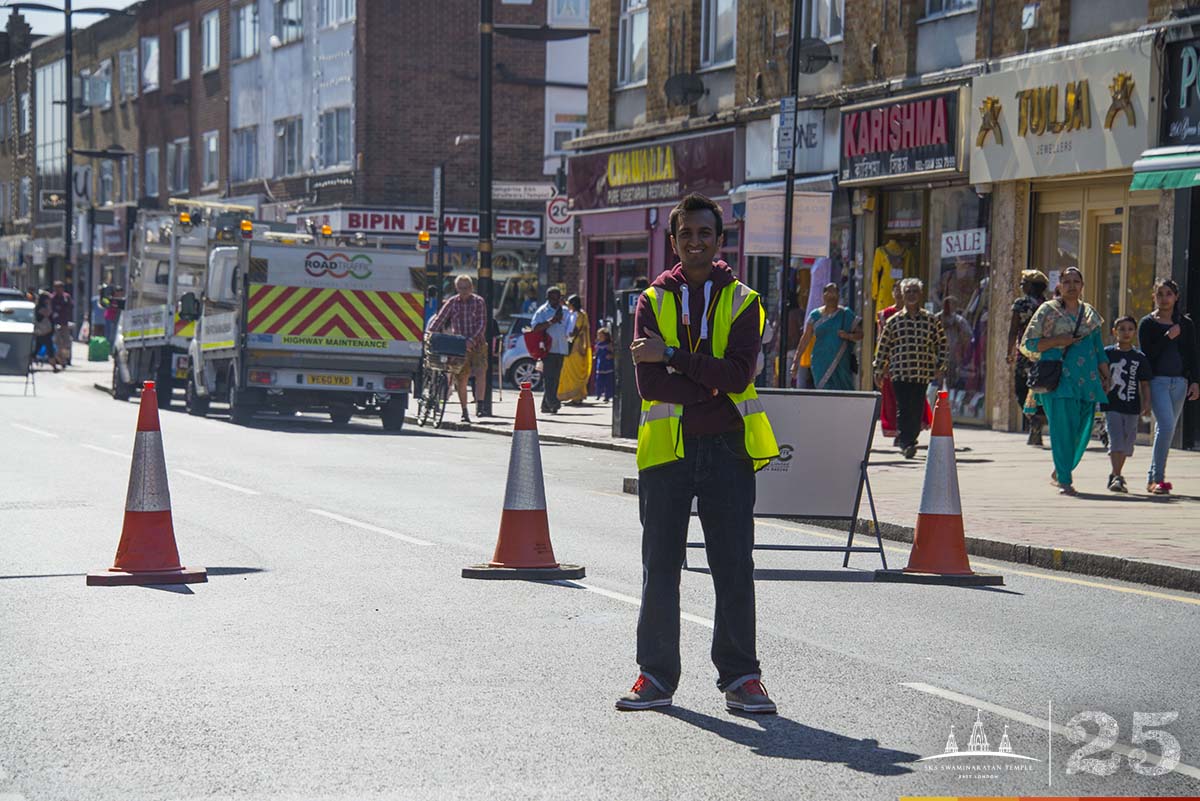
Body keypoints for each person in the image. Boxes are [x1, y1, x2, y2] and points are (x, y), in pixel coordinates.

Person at [619, 193, 780, 715]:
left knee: (734, 565)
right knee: (659, 566)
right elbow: (649, 386)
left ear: (719, 239)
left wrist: (671, 357)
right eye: (686, 234)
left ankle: (741, 677)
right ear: (674, 241)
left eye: (704, 233)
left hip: (729, 449)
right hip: (668, 451)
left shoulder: (744, 301)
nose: (695, 242)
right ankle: (655, 676)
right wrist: (707, 384)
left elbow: (738, 376)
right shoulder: (651, 300)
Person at [1020, 267, 1112, 496]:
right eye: (1067, 281)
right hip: (1058, 380)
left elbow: (1098, 349)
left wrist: (1106, 374)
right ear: (1059, 285)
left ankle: (1061, 469)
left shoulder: (1090, 314)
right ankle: (1065, 479)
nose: (1072, 285)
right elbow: (1028, 344)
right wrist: (1056, 341)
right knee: (1062, 430)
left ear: (1082, 286)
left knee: (1081, 430)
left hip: (1087, 381)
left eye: (1076, 281)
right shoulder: (1047, 311)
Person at [1137, 278, 1200, 495]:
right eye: (1160, 294)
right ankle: (1158, 479)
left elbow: (1192, 355)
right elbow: (1147, 355)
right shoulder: (1147, 323)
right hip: (1157, 381)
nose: (1164, 299)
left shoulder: (1186, 324)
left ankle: (1151, 477)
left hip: (1180, 383)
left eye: (1168, 294)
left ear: (1176, 297)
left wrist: (1194, 382)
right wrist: (1167, 337)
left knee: (1166, 429)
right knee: (1165, 426)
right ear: (1154, 297)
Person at [873, 278, 947, 460]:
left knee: (917, 406)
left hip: (922, 372)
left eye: (915, 291)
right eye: (908, 292)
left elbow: (942, 344)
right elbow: (883, 346)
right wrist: (878, 369)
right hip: (900, 372)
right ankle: (906, 442)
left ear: (920, 294)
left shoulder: (931, 320)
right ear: (903, 296)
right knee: (904, 406)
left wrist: (941, 365)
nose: (912, 295)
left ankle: (911, 438)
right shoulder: (893, 321)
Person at [427, 274, 488, 423]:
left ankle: (480, 405)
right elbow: (439, 320)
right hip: (459, 344)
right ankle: (464, 411)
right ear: (456, 288)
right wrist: (429, 334)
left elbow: (482, 324)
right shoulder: (452, 302)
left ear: (471, 287)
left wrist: (472, 340)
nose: (464, 291)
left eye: (466, 287)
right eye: (461, 288)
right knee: (462, 378)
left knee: (481, 371)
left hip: (477, 343)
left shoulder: (479, 302)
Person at [1102, 316, 1152, 493]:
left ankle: (1116, 474)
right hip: (1112, 404)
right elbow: (1099, 373)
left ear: (1135, 332)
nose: (1126, 332)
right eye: (1121, 329)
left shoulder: (1139, 357)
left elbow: (1145, 383)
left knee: (1127, 442)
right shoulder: (1107, 353)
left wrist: (1147, 402)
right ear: (1114, 332)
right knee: (1116, 439)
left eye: (1130, 329)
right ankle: (1117, 476)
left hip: (1132, 406)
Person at [792, 282, 861, 391]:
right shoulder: (815, 315)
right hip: (820, 362)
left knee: (843, 394)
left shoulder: (846, 314)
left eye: (834, 294)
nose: (832, 297)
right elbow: (805, 338)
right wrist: (796, 362)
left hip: (841, 363)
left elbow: (860, 335)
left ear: (839, 296)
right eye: (829, 294)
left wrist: (848, 336)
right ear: (823, 296)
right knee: (824, 392)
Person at [1007, 270, 1050, 446]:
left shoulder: (1022, 305)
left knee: (1021, 389)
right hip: (1043, 355)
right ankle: (1036, 421)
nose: (1021, 286)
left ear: (1032, 285)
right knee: (1038, 390)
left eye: (1024, 282)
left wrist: (1009, 351)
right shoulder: (1049, 305)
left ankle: (1034, 421)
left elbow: (1013, 330)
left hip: (1027, 355)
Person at [530, 287, 570, 414]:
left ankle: (545, 406)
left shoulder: (565, 311)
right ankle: (553, 402)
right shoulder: (543, 311)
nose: (555, 300)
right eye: (552, 297)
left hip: (561, 348)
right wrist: (551, 321)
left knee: (556, 378)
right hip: (548, 349)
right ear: (547, 298)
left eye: (557, 297)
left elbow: (569, 328)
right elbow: (535, 328)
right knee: (548, 378)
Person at [557, 295, 592, 405]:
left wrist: (566, 337)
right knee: (568, 370)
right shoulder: (572, 314)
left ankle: (577, 397)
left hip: (576, 346)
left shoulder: (580, 315)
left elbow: (575, 330)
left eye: (569, 303)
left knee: (575, 371)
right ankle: (574, 395)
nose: (568, 305)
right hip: (570, 344)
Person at [50, 280, 73, 369]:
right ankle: (59, 359)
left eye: (59, 288)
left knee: (66, 343)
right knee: (57, 342)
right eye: (56, 288)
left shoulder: (66, 297)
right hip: (55, 323)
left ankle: (66, 359)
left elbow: (71, 307)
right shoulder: (52, 298)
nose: (58, 290)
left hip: (64, 323)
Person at [34, 290, 57, 371]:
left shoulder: (43, 306)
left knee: (37, 348)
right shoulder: (40, 307)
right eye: (48, 298)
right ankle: (54, 366)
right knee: (49, 349)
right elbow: (47, 313)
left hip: (46, 331)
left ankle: (29, 361)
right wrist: (49, 305)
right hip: (43, 331)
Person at [593, 327, 614, 402]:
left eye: (601, 336)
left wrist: (611, 355)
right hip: (600, 365)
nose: (599, 337)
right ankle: (598, 394)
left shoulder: (608, 345)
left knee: (608, 382)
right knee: (599, 382)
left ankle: (607, 396)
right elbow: (596, 353)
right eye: (598, 336)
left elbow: (613, 353)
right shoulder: (598, 345)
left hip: (608, 366)